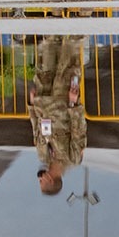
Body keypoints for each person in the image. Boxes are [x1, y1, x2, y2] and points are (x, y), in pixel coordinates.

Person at [28, 35, 86, 195]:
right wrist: (73, 103)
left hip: (43, 102)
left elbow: (36, 129)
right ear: (50, 181)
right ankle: (79, 16)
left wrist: (32, 106)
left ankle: (54, 15)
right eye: (42, 182)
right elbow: (78, 131)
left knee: (47, 56)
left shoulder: (43, 155)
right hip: (62, 103)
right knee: (68, 60)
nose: (40, 179)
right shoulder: (72, 159)